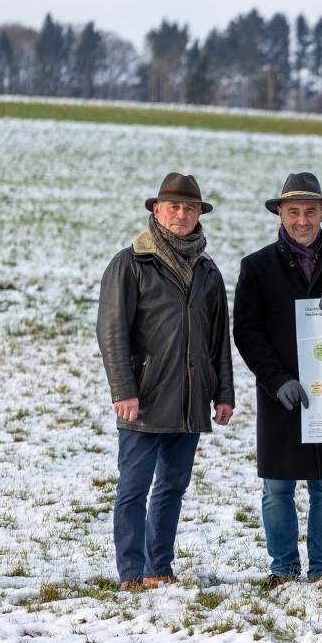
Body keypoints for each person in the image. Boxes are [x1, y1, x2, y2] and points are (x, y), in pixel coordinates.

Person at [233, 172, 322, 588]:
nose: (302, 220)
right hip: (280, 394)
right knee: (277, 489)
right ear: (280, 212)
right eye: (294, 211)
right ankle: (282, 569)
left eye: (310, 212)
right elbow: (246, 330)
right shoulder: (257, 266)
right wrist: (276, 379)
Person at [97, 172, 235, 593]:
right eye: (172, 207)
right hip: (145, 395)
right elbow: (111, 331)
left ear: (199, 215)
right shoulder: (130, 262)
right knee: (134, 488)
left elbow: (219, 339)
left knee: (173, 487)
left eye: (189, 208)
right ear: (156, 211)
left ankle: (160, 566)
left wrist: (224, 393)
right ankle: (131, 574)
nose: (181, 214)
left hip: (192, 398)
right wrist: (124, 390)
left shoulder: (209, 270)